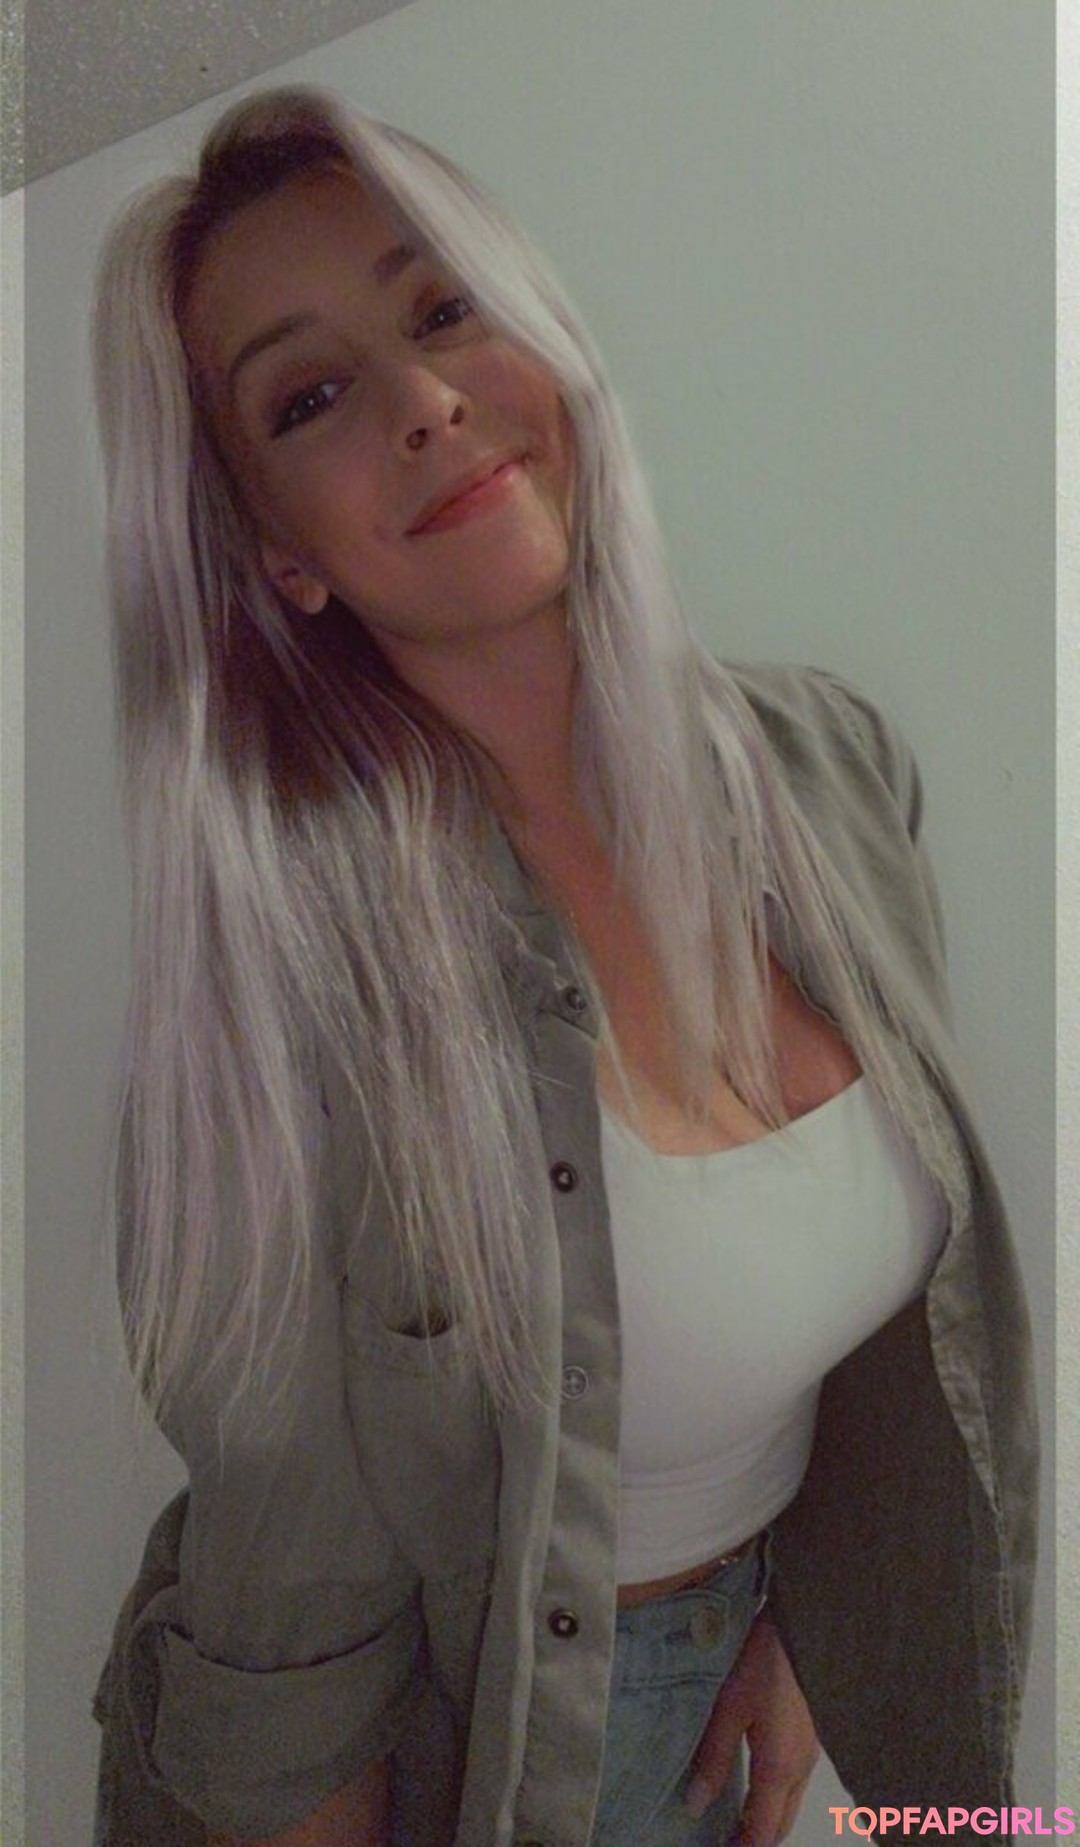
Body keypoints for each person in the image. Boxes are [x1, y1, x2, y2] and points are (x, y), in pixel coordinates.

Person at [89, 85, 1036, 1847]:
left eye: (444, 309)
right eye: (310, 398)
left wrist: (815, 1629)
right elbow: (293, 1646)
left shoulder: (834, 766)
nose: (423, 399)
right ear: (278, 553)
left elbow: (894, 1313)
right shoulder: (291, 985)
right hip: (484, 1763)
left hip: (757, 1688)